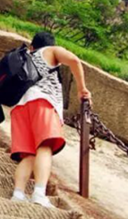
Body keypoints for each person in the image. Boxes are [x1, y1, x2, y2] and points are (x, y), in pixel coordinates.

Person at [10, 31, 92, 208]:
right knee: (44, 147)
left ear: (32, 46)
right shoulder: (51, 51)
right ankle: (39, 193)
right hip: (43, 102)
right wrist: (81, 89)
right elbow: (74, 61)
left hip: (19, 107)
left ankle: (18, 193)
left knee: (28, 154)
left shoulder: (24, 57)